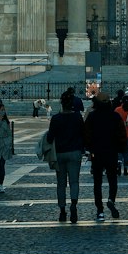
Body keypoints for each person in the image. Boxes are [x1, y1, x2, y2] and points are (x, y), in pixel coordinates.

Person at [83, 91, 127, 222]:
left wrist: (89, 148)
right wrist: (120, 149)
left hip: (97, 153)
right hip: (111, 152)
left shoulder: (92, 116)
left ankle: (100, 211)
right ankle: (111, 199)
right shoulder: (115, 116)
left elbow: (86, 135)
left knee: (97, 182)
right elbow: (121, 135)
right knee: (112, 179)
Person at [47, 88, 86, 223]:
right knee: (74, 181)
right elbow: (83, 134)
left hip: (60, 154)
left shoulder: (56, 118)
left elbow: (49, 137)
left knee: (61, 184)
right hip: (75, 152)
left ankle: (62, 211)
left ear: (61, 103)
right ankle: (73, 205)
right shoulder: (77, 117)